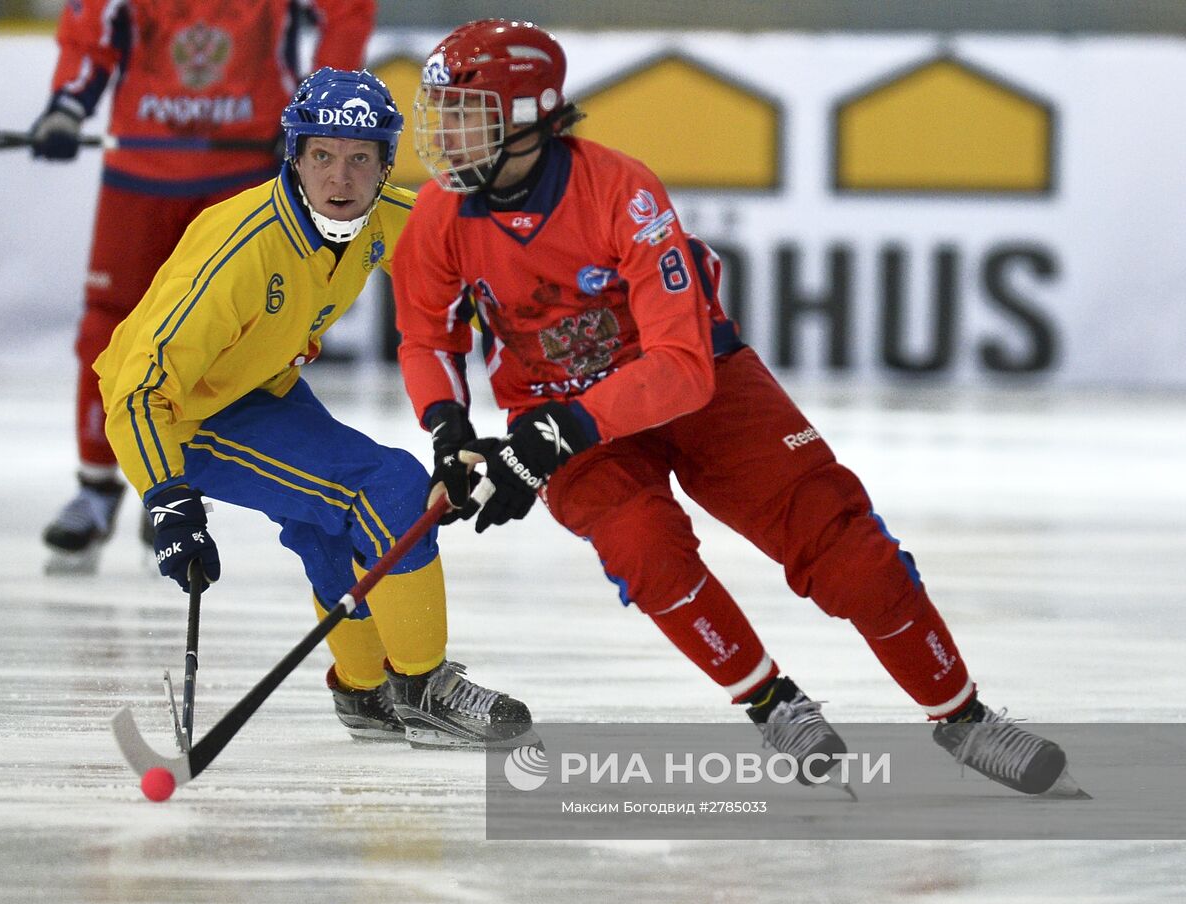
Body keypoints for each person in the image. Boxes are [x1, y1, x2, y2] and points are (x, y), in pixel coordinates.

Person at [393, 19, 1076, 794]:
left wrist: (556, 432)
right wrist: (449, 431)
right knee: (644, 550)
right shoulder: (438, 220)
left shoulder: (621, 190)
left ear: (529, 117)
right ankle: (770, 698)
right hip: (563, 419)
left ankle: (963, 716)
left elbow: (681, 368)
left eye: (465, 113)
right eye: (440, 110)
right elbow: (427, 338)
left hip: (692, 390)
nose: (444, 135)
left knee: (848, 549)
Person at [93, 67, 533, 749]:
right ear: (294, 157)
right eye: (322, 155)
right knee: (384, 485)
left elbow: (480, 262)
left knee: (329, 522)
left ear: (386, 162)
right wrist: (168, 497)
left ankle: (365, 688)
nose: (340, 179)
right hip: (179, 416)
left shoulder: (383, 215)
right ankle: (422, 684)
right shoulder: (239, 249)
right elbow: (139, 390)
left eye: (361, 159)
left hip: (258, 389)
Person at [33, 0, 377, 572]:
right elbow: (89, 27)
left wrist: (312, 110)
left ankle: (171, 472)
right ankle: (95, 487)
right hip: (141, 172)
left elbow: (348, 10)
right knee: (108, 327)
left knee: (221, 339)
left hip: (242, 174)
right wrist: (68, 103)